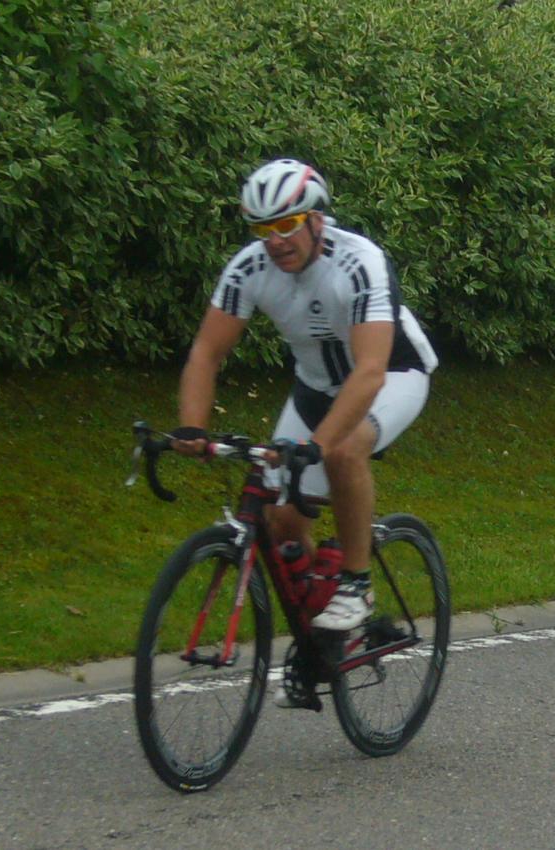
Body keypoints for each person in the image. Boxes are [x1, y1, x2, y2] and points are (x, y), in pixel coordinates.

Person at [172, 157, 438, 649]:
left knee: (343, 452)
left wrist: (317, 445)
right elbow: (206, 352)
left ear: (316, 219)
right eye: (262, 229)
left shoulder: (359, 262)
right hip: (315, 389)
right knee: (281, 524)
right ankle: (323, 637)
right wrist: (191, 427)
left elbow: (369, 371)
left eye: (287, 224)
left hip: (391, 376)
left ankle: (356, 584)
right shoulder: (249, 268)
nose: (275, 241)